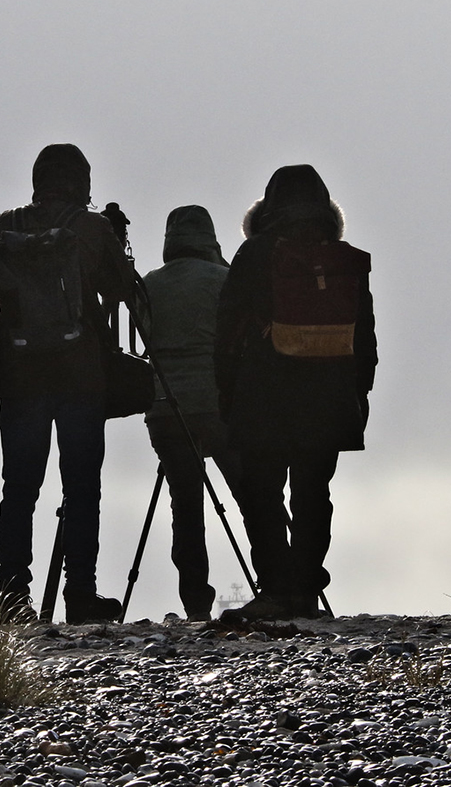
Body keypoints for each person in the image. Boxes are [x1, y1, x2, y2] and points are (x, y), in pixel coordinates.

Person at [215, 164, 377, 620]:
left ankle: (275, 590)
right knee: (313, 492)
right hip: (330, 396)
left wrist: (227, 394)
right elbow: (364, 337)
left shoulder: (255, 255)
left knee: (262, 490)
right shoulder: (343, 257)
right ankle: (305, 589)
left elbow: (226, 330)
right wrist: (356, 393)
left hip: (265, 393)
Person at [0, 143, 135, 624]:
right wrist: (117, 241)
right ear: (82, 181)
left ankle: (13, 599)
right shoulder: (92, 228)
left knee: (19, 487)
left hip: (19, 372)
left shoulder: (5, 226)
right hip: (80, 373)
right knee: (82, 484)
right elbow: (125, 290)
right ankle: (81, 595)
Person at [142, 205, 263, 622]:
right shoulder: (224, 279)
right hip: (219, 405)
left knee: (186, 506)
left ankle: (196, 600)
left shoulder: (147, 285)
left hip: (165, 408)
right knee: (251, 495)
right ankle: (273, 583)